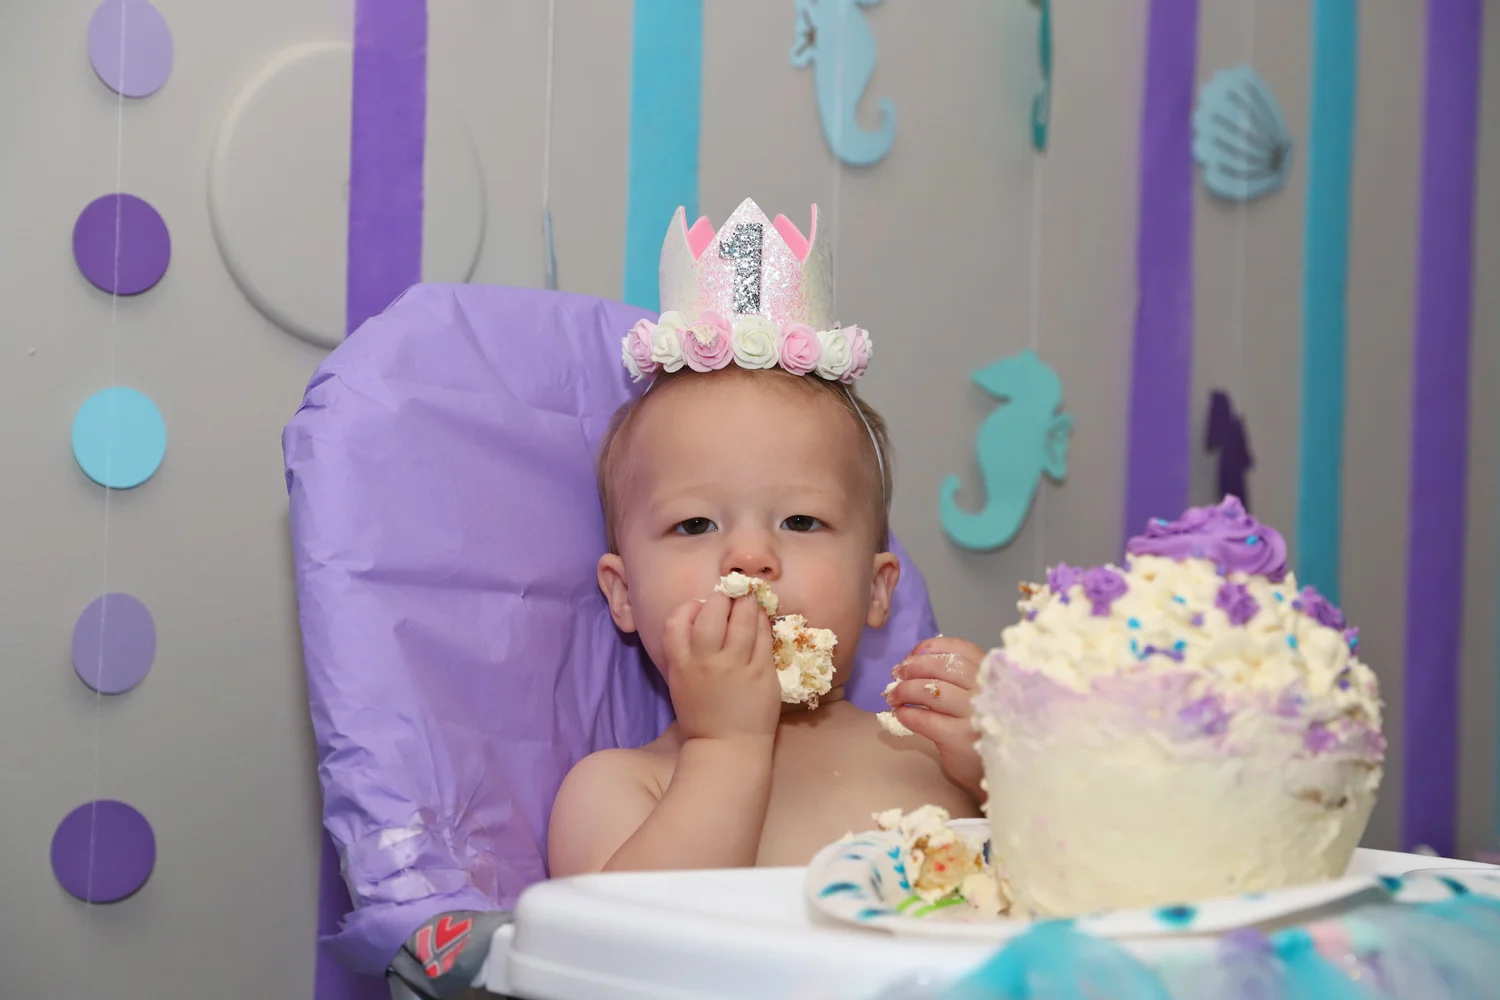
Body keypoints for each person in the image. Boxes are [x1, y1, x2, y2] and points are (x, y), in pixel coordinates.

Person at [547, 199, 990, 877]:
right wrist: (726, 748)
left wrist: (1014, 769)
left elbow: (1090, 889)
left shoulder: (935, 757)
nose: (751, 559)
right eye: (695, 525)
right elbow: (628, 939)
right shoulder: (621, 789)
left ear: (878, 590)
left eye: (801, 522)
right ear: (624, 594)